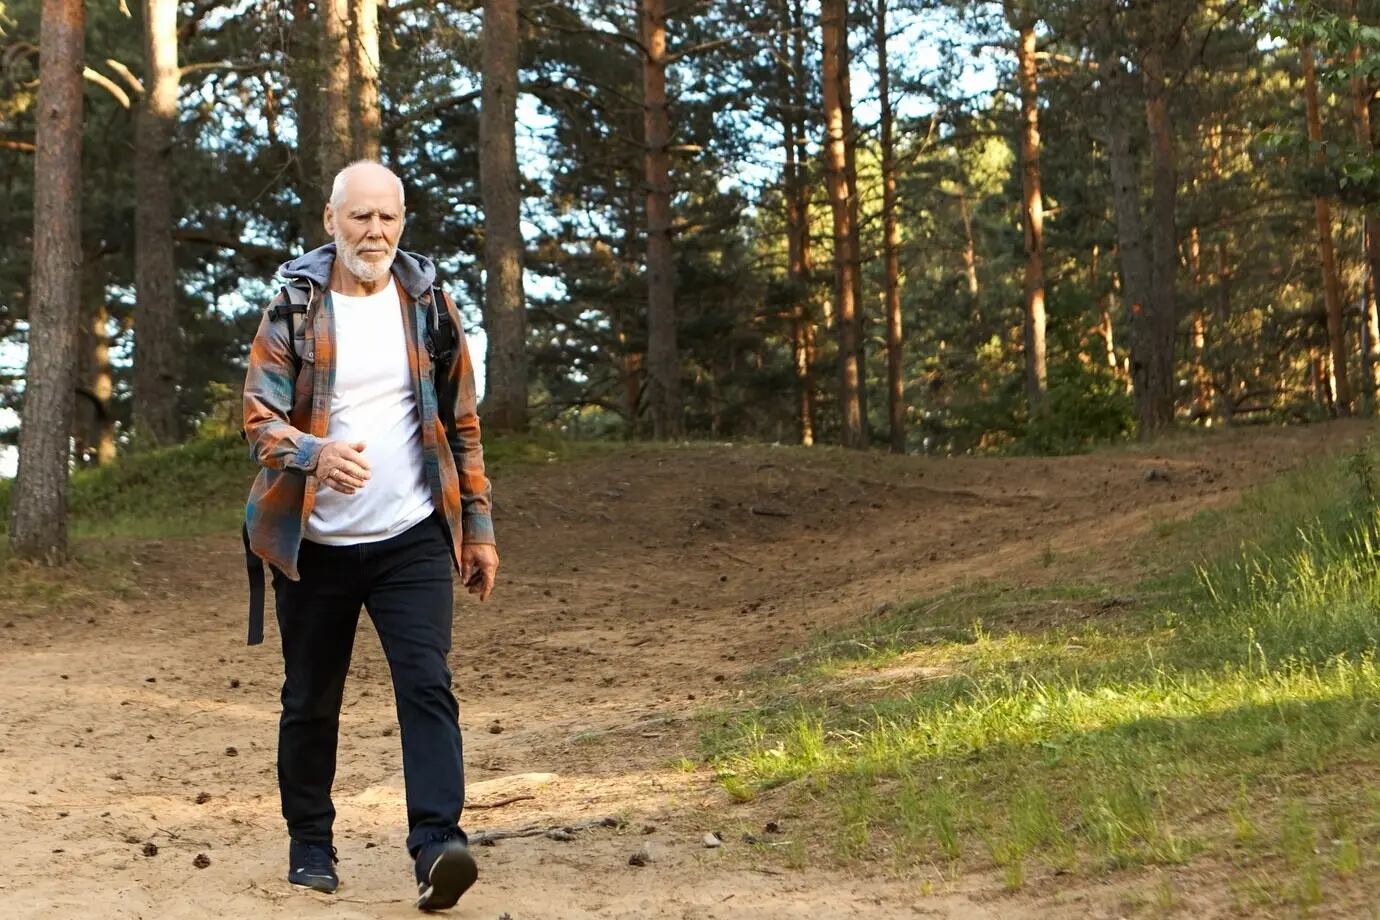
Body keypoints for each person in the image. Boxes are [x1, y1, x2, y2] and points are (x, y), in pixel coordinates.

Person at [241, 160, 499, 912]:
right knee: (310, 699)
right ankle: (311, 844)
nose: (374, 231)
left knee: (427, 684)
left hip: (411, 535)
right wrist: (315, 455)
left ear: (402, 221)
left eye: (387, 217)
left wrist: (476, 527)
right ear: (331, 221)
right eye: (360, 217)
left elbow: (462, 423)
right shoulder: (292, 306)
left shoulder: (427, 304)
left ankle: (437, 846)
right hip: (312, 542)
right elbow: (260, 419)